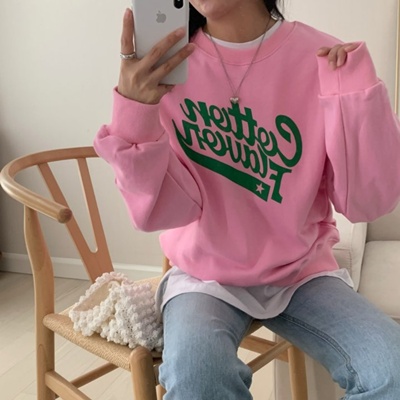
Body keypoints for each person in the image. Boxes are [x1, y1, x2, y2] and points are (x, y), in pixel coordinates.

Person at [94, 1, 400, 398]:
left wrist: (357, 98)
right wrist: (134, 111)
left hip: (300, 272)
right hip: (204, 276)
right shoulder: (167, 67)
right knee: (197, 378)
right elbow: (161, 212)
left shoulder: (323, 57)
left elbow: (366, 204)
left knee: (392, 369)